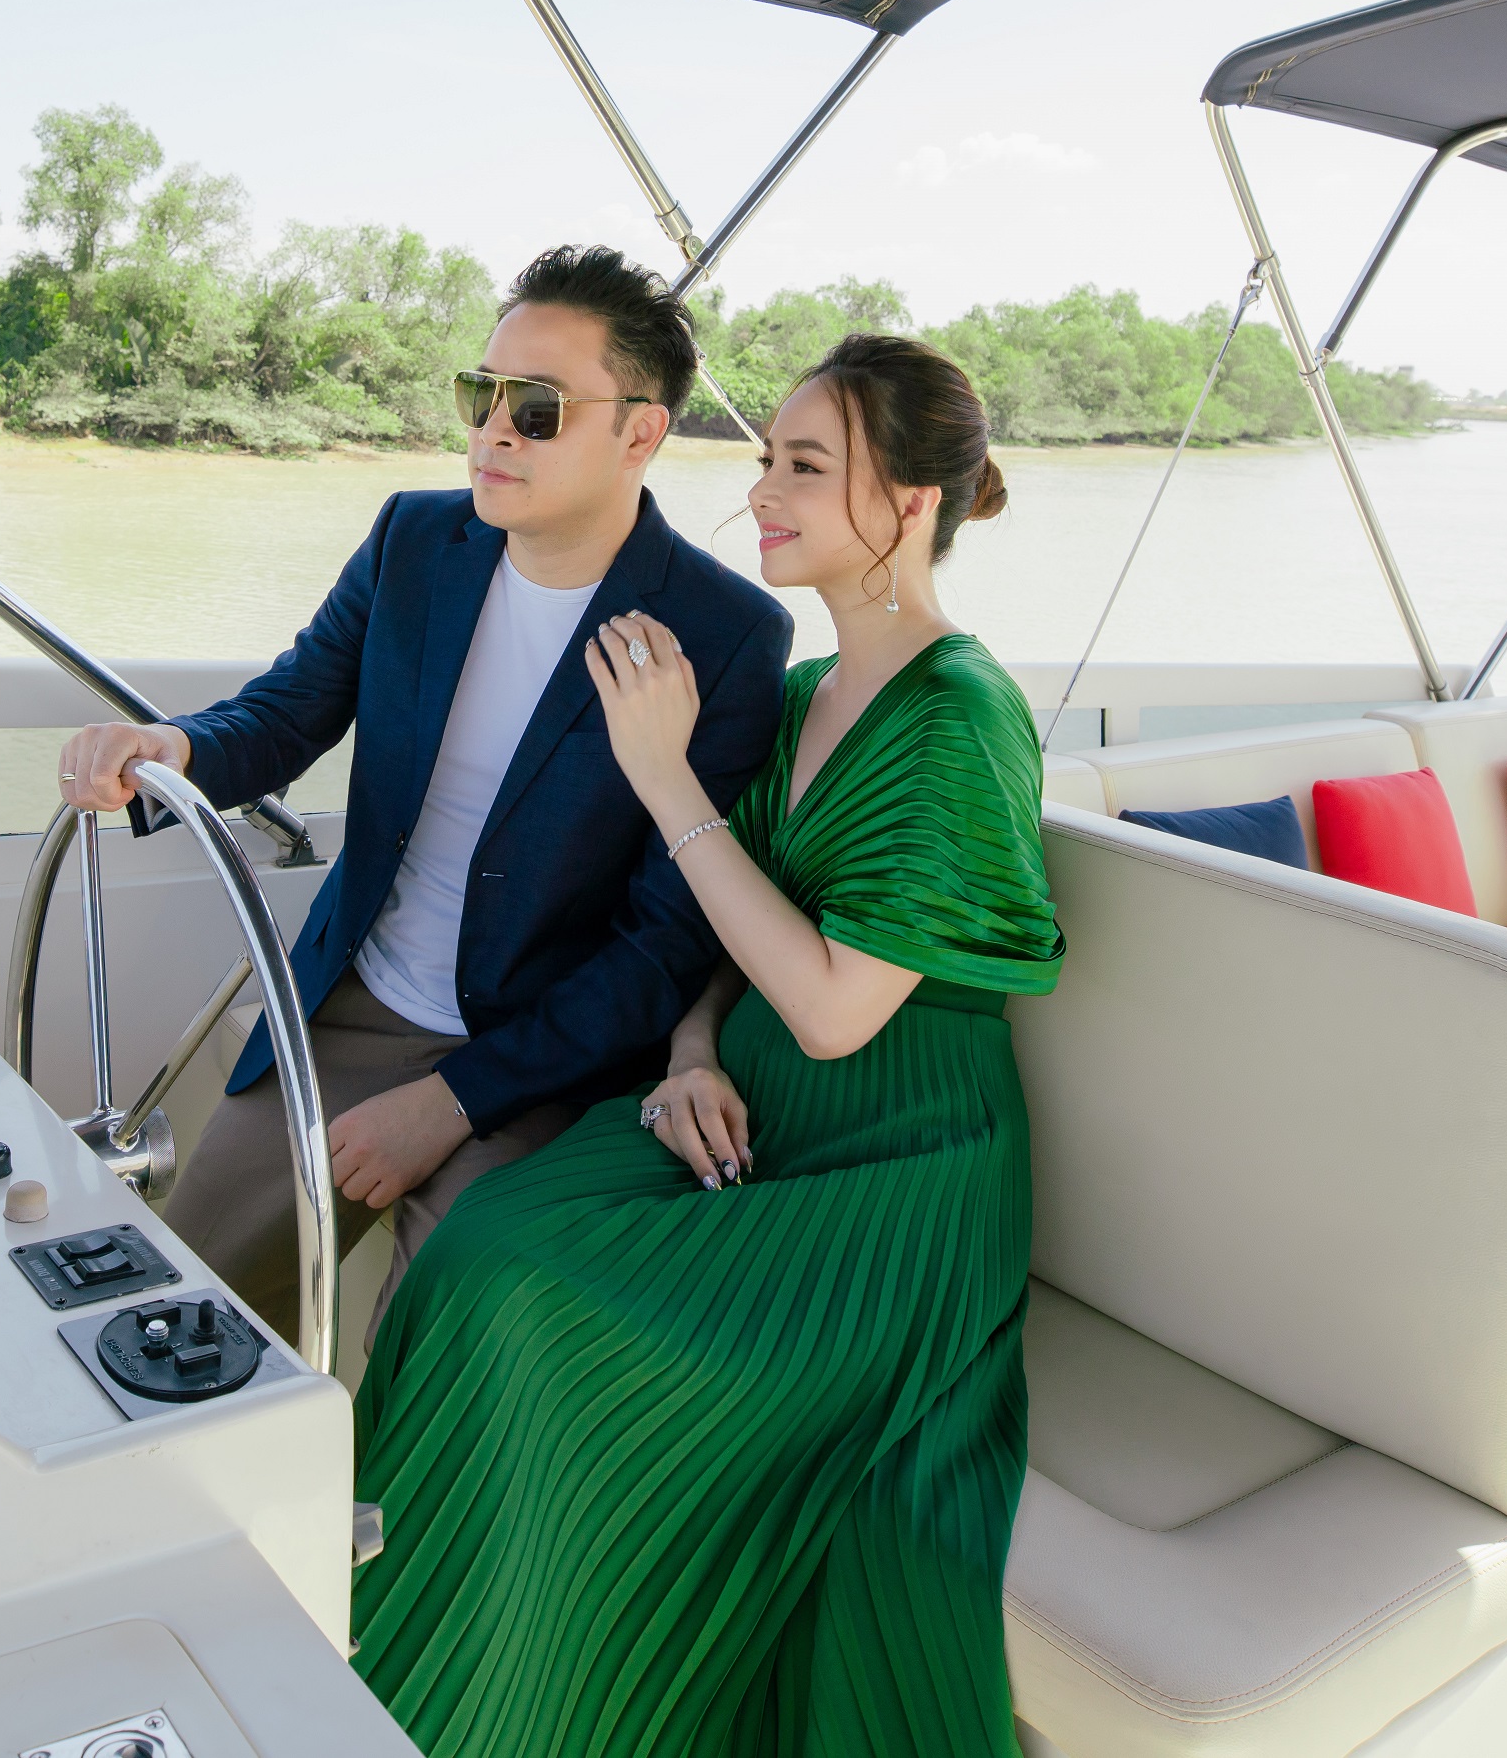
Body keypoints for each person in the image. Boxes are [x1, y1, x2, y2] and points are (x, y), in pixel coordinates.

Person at [349, 333, 1061, 1758]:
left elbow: (838, 1009)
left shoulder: (961, 715)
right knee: (488, 1244)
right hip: (748, 1105)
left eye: (805, 466)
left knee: (544, 1300)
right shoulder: (806, 694)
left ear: (910, 502)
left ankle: (518, 1714)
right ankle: (394, 1660)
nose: (762, 494)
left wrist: (659, 772)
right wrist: (687, 1052)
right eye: (766, 460)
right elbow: (735, 934)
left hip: (897, 1165)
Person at [57, 245, 791, 1342]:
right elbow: (288, 710)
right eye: (478, 394)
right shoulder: (412, 541)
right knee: (178, 1313)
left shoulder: (726, 633)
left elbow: (661, 948)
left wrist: (454, 1101)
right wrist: (168, 748)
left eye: (536, 409)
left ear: (640, 433)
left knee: (437, 1349)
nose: (492, 431)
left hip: (546, 1049)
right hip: (358, 1001)